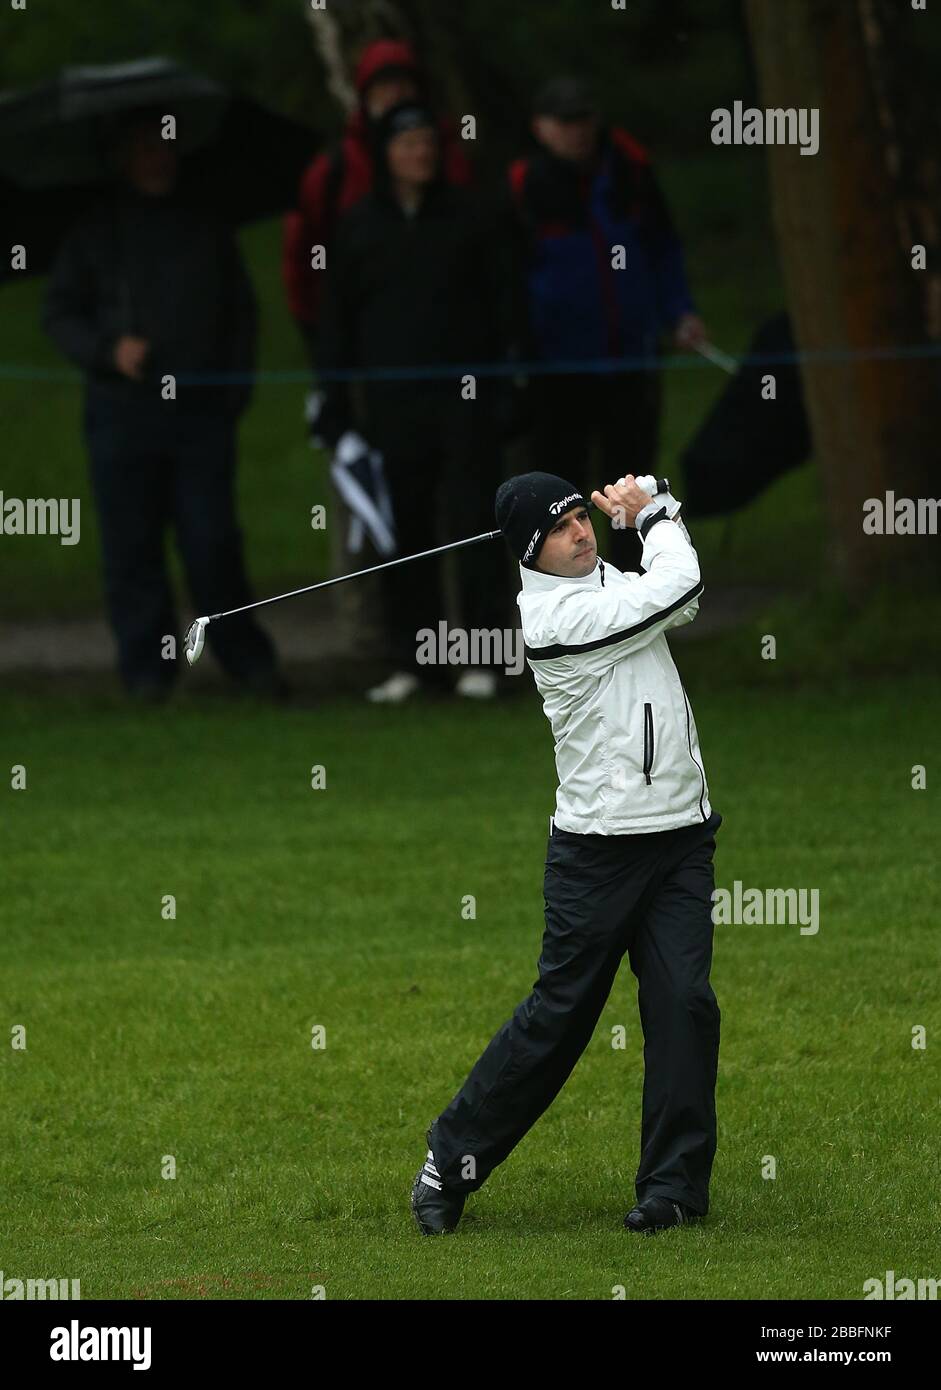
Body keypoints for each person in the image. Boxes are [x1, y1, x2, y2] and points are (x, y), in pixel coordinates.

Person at [411, 470, 722, 1236]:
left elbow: (671, 593)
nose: (580, 532)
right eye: (559, 529)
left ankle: (672, 1189)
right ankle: (449, 1162)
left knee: (684, 1004)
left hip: (680, 834)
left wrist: (636, 520)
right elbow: (679, 588)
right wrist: (652, 511)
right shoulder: (556, 619)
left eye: (581, 515)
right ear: (529, 552)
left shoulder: (601, 582)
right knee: (558, 1020)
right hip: (596, 854)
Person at [42, 111, 281, 700]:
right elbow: (60, 315)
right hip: (122, 414)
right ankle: (146, 670)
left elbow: (241, 317)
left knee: (212, 542)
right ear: (123, 157)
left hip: (200, 416)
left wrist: (232, 393)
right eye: (145, 148)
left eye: (165, 146)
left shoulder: (206, 227)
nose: (158, 158)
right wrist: (106, 349)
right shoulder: (95, 232)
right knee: (132, 545)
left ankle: (244, 659)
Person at [316, 101, 510, 703]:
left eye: (427, 142)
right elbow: (338, 318)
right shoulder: (358, 224)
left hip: (465, 398)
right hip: (392, 404)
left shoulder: (469, 217)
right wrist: (335, 395)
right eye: (406, 145)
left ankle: (483, 659)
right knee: (403, 528)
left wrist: (507, 383)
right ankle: (417, 661)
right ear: (384, 155)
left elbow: (503, 305)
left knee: (473, 522)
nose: (419, 154)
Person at [507, 76, 707, 571]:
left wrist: (678, 309)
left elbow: (662, 246)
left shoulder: (629, 167)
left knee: (629, 481)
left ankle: (639, 580)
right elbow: (506, 275)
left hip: (630, 354)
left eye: (584, 120)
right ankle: (571, 586)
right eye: (564, 122)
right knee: (561, 485)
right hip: (556, 366)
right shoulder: (523, 183)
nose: (577, 132)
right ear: (540, 127)